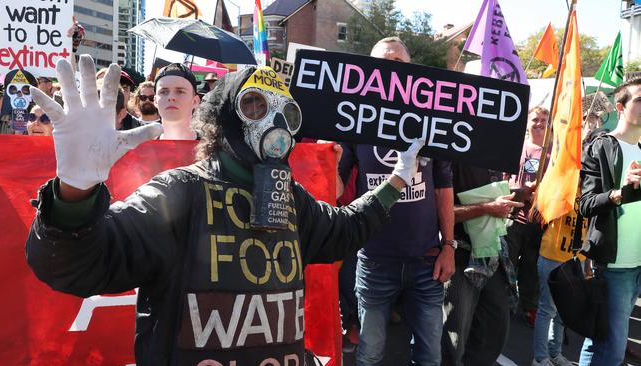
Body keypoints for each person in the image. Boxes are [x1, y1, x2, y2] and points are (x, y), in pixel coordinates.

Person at [25, 55, 425, 366]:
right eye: (254, 105)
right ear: (225, 117)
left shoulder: (290, 197)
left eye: (286, 113)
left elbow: (343, 230)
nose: (274, 122)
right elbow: (79, 263)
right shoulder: (180, 192)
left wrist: (397, 180)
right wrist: (74, 191)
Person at [338, 36, 455, 366]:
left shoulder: (431, 118)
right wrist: (324, 157)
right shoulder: (354, 118)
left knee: (430, 355)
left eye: (398, 63)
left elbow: (444, 188)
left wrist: (449, 245)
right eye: (382, 62)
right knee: (370, 354)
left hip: (426, 261)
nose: (390, 69)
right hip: (375, 260)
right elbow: (334, 186)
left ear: (410, 70)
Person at [579, 77, 641, 366]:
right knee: (611, 350)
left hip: (639, 261)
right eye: (640, 100)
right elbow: (586, 204)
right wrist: (620, 193)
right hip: (615, 265)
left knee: (600, 340)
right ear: (620, 107)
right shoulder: (601, 146)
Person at [441, 164, 522, 366]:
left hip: (492, 254)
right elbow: (440, 210)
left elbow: (492, 198)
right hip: (459, 254)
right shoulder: (450, 156)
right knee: (453, 337)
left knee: (495, 327)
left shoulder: (493, 153)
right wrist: (486, 208)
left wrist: (518, 194)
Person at [504, 106, 551, 327]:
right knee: (507, 264)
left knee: (531, 268)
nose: (539, 123)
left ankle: (529, 306)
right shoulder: (517, 147)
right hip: (513, 217)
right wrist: (520, 191)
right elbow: (505, 178)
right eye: (535, 119)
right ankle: (503, 303)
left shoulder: (554, 153)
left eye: (543, 119)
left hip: (538, 221)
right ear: (527, 123)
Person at [531, 198, 586, 366]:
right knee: (547, 309)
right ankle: (540, 358)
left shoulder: (592, 186)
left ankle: (555, 353)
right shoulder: (561, 183)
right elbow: (540, 211)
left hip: (577, 258)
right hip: (552, 256)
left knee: (564, 312)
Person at [153, 63, 201, 140]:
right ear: (155, 101)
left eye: (180, 91)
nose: (171, 97)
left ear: (195, 101)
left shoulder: (214, 149)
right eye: (164, 92)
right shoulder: (143, 149)